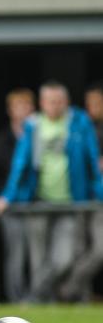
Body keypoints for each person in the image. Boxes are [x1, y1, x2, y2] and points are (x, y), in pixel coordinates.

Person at [0, 81, 103, 302]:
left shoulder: (79, 123)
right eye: (51, 102)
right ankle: (43, 303)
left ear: (67, 102)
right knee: (37, 258)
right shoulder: (33, 126)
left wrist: (99, 192)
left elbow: (92, 162)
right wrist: (8, 195)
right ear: (42, 103)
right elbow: (20, 164)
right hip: (38, 201)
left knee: (64, 258)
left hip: (71, 202)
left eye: (59, 102)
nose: (55, 106)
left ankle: (35, 297)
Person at [0, 88, 35, 302]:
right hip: (11, 207)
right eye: (18, 106)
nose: (23, 110)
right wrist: (2, 195)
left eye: (26, 105)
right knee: (16, 254)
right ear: (10, 110)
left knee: (38, 256)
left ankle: (38, 297)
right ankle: (18, 299)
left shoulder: (41, 137)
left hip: (36, 205)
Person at [59, 82, 103, 301]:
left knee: (99, 249)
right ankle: (81, 298)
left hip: (99, 198)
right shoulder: (80, 126)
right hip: (82, 196)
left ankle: (69, 289)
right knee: (78, 250)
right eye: (89, 103)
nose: (92, 106)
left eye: (97, 102)